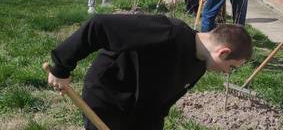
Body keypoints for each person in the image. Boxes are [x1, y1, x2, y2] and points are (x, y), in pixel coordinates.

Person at [47, 14, 253, 130]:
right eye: (232, 67)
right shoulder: (168, 33)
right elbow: (99, 25)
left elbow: (161, 103)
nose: (228, 72)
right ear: (223, 52)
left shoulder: (199, 64)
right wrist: (61, 67)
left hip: (140, 110)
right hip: (108, 95)